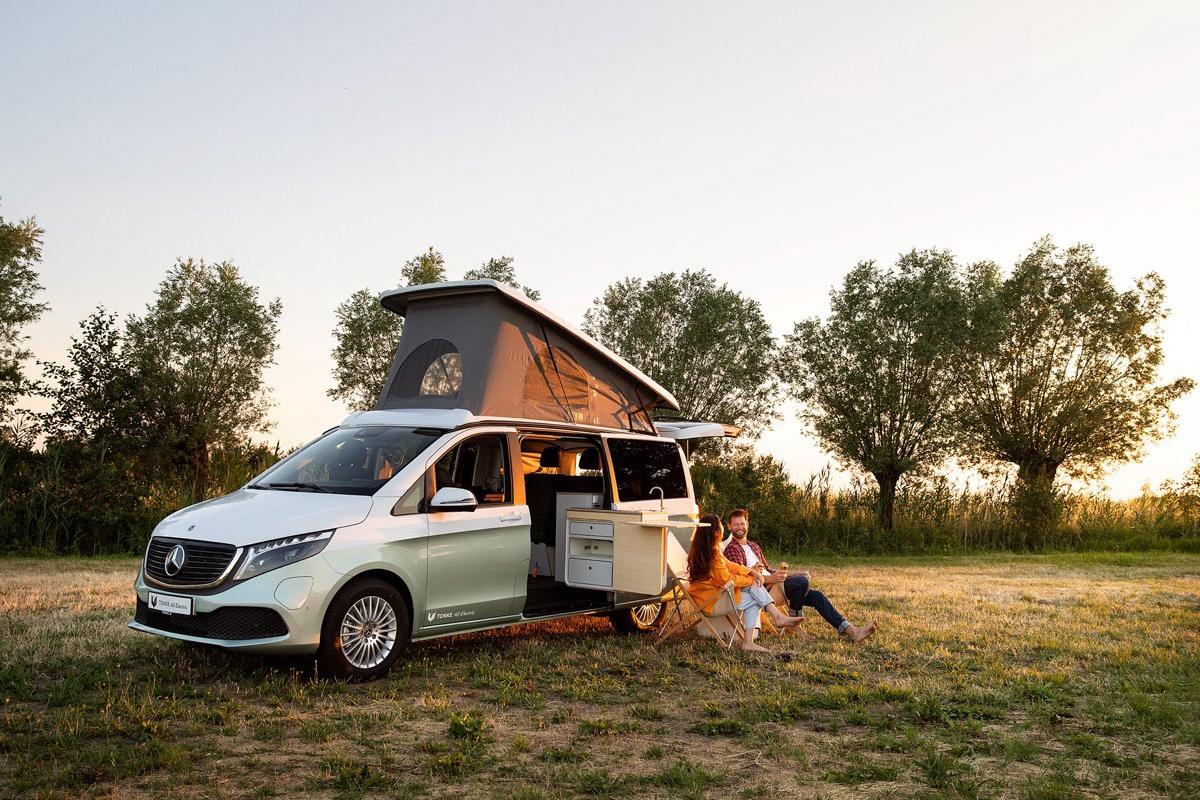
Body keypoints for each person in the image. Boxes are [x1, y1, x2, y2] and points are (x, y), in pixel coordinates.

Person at [722, 508, 876, 643]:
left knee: (817, 596)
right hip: (764, 593)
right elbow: (744, 580)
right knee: (801, 582)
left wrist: (791, 575)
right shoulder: (732, 549)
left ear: (747, 525)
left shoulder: (753, 546)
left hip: (777, 585)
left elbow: (768, 569)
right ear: (729, 526)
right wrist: (771, 579)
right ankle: (794, 625)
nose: (740, 527)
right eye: (736, 524)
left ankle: (852, 631)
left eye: (742, 524)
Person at [686, 514, 803, 653]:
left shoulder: (708, 550)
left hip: (713, 595)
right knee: (755, 595)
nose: (723, 528)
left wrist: (751, 572)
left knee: (754, 592)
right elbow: (728, 580)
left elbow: (731, 565)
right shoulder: (711, 556)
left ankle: (764, 628)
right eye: (721, 525)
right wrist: (752, 578)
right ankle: (760, 632)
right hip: (711, 602)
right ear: (716, 531)